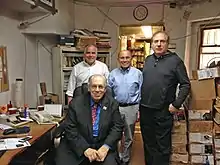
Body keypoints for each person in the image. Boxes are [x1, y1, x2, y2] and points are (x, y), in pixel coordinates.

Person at [140, 31, 190, 165]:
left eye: (162, 41)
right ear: (151, 44)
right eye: (156, 41)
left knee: (162, 146)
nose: (159, 44)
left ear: (167, 44)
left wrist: (176, 104)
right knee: (148, 143)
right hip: (145, 109)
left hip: (163, 111)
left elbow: (185, 84)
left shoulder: (175, 61)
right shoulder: (148, 59)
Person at [56, 74, 124, 165]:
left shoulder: (112, 104)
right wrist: (85, 148)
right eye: (94, 86)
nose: (97, 90)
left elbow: (117, 127)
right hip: (78, 144)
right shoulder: (75, 104)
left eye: (100, 87)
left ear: (105, 89)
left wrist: (106, 147)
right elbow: (70, 128)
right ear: (88, 88)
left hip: (102, 145)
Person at [108, 50, 143, 165]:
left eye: (127, 57)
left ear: (131, 58)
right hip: (116, 107)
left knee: (129, 135)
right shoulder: (113, 74)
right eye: (122, 58)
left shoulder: (138, 73)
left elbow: (141, 93)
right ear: (118, 59)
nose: (124, 60)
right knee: (115, 133)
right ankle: (116, 156)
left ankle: (125, 158)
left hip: (131, 108)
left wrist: (139, 110)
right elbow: (109, 93)